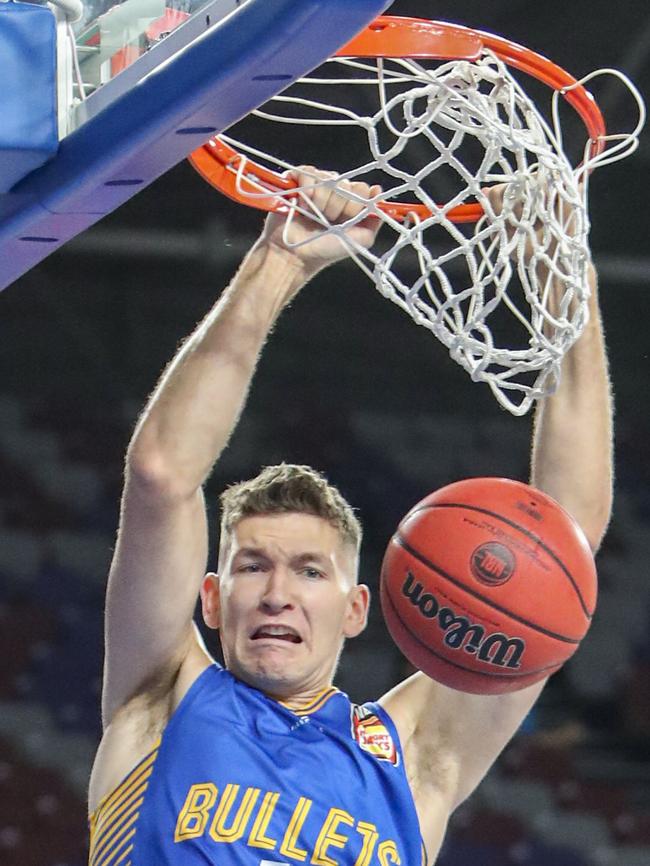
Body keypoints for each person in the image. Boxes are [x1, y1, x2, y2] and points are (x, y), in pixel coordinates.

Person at [86, 171, 612, 865]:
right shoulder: (163, 700)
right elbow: (161, 475)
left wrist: (563, 278)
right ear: (210, 598)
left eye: (309, 571)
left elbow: (563, 538)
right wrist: (278, 265)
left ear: (357, 607)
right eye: (252, 566)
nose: (278, 592)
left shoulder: (416, 754)